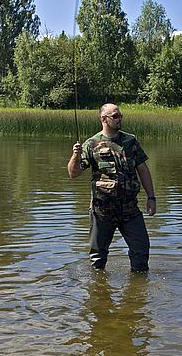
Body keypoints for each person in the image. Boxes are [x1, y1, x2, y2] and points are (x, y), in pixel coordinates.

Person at [67, 104, 156, 273]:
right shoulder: (91, 144)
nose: (119, 119)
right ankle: (99, 292)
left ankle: (138, 287)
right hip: (102, 211)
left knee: (141, 250)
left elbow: (143, 169)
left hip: (130, 209)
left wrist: (151, 198)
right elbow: (74, 173)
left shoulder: (130, 141)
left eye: (120, 115)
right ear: (103, 119)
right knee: (98, 258)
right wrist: (75, 155)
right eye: (115, 116)